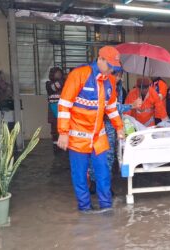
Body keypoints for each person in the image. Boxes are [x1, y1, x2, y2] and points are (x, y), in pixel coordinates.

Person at [57, 46, 125, 214]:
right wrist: (63, 133)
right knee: (80, 175)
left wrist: (119, 128)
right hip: (78, 135)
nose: (112, 71)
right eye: (110, 66)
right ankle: (85, 208)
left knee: (103, 172)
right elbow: (64, 105)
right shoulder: (79, 74)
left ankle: (106, 206)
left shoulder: (109, 81)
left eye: (114, 68)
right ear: (100, 59)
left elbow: (111, 108)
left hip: (98, 136)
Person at [88, 70, 142, 194]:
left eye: (120, 76)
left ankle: (105, 185)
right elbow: (107, 106)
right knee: (95, 154)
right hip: (97, 125)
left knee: (109, 157)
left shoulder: (118, 88)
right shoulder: (98, 85)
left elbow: (116, 107)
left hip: (111, 126)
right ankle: (94, 183)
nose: (117, 78)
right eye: (115, 75)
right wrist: (131, 106)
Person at [46, 67, 64, 154]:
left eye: (60, 73)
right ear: (52, 74)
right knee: (54, 129)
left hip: (63, 109)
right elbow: (55, 87)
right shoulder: (48, 84)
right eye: (57, 73)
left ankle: (63, 146)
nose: (59, 75)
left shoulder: (64, 83)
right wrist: (65, 79)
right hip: (53, 109)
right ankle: (56, 148)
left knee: (63, 128)